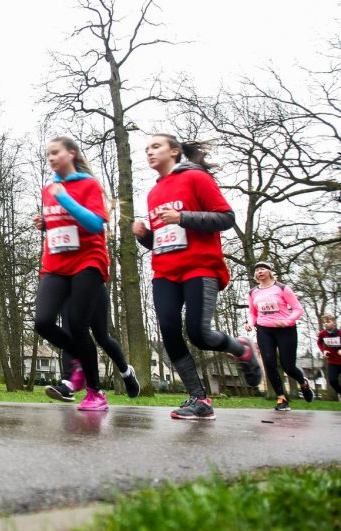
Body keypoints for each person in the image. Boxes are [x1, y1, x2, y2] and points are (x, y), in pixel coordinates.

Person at [133, 134, 262, 420]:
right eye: (146, 149)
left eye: (156, 146)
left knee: (199, 333)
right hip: (165, 271)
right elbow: (164, 240)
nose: (149, 153)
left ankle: (240, 348)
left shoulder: (196, 178)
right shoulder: (154, 193)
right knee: (168, 331)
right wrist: (145, 236)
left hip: (200, 267)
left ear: (175, 151)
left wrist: (183, 217)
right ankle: (199, 399)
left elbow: (226, 218)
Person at [33, 136, 138, 411]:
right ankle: (80, 358)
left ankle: (95, 392)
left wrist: (65, 200)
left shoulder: (87, 185)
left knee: (82, 327)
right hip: (57, 264)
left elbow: (93, 224)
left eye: (56, 153)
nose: (51, 158)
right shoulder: (49, 189)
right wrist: (46, 223)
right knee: (43, 321)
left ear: (71, 154)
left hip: (87, 262)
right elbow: (62, 227)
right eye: (48, 155)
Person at [44, 285, 141, 402]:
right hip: (68, 292)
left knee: (102, 338)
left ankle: (126, 373)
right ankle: (67, 384)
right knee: (69, 334)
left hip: (93, 287)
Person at [244, 261, 313, 410]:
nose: (259, 272)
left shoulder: (282, 288)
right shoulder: (253, 292)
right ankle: (281, 398)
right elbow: (252, 312)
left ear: (269, 272)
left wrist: (287, 321)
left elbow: (298, 309)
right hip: (263, 329)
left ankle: (303, 383)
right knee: (269, 364)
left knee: (288, 366)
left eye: (262, 269)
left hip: (285, 329)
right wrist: (250, 323)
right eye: (256, 270)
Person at [316, 314, 341, 400]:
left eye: (328, 322)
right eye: (324, 322)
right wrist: (324, 350)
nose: (326, 324)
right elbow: (319, 343)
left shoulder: (340, 333)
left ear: (333, 323)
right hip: (333, 362)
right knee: (332, 381)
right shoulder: (322, 334)